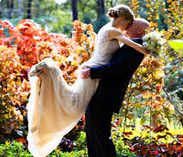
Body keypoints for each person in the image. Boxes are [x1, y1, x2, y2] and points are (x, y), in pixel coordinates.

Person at [26, 4, 147, 157]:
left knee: (92, 123)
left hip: (95, 75)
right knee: (78, 108)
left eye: (131, 25)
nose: (127, 27)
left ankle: (49, 74)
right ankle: (50, 72)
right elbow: (132, 46)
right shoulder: (114, 31)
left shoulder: (108, 28)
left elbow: (118, 63)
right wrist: (148, 49)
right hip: (92, 75)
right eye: (128, 23)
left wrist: (148, 45)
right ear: (122, 18)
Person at [81, 18, 150, 157]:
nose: (126, 26)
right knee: (93, 132)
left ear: (137, 30)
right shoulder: (133, 44)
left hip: (107, 94)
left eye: (130, 24)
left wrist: (92, 72)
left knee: (99, 134)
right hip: (105, 93)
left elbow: (117, 68)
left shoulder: (136, 46)